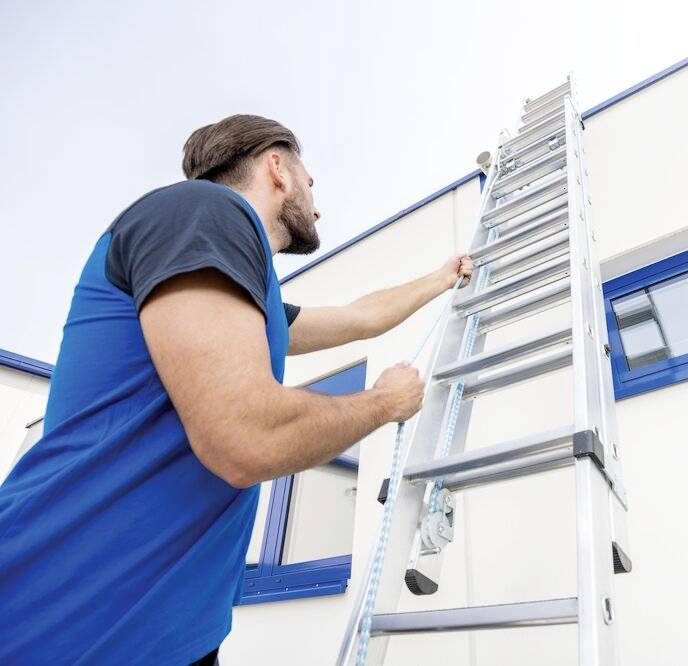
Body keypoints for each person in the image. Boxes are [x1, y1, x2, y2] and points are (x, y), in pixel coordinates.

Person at [0, 114, 474, 665]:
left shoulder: (250, 290)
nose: (317, 207)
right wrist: (383, 403)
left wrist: (440, 278)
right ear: (277, 167)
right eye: (311, 183)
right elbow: (243, 435)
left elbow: (359, 316)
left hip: (172, 633)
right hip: (63, 616)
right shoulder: (203, 211)